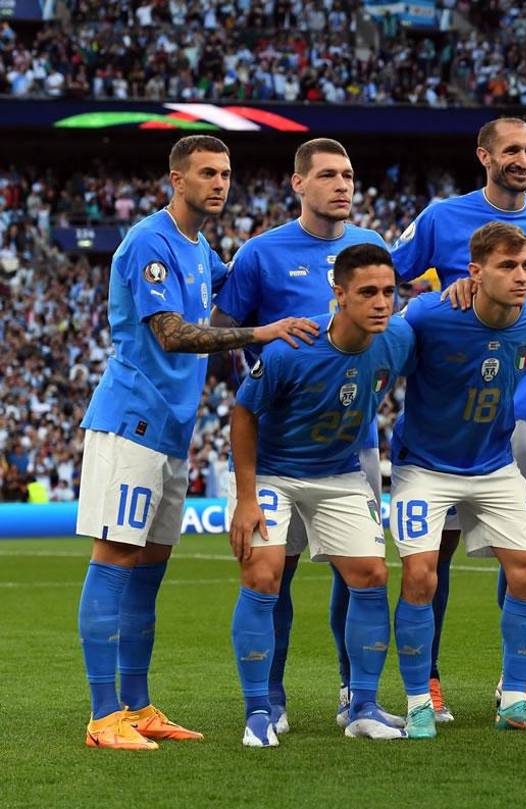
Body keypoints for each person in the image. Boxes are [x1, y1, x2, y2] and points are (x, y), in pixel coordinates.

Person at [75, 135, 317, 750]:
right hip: (131, 424)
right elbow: (172, 334)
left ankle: (137, 706)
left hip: (171, 432)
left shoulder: (202, 250)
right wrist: (262, 333)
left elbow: (245, 291)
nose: (220, 183)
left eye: (226, 173)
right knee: (116, 559)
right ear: (176, 180)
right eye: (207, 173)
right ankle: (103, 716)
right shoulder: (150, 242)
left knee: (149, 571)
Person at [391, 116, 526, 720]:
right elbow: (390, 275)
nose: (523, 159)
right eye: (511, 150)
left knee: (523, 554)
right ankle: (426, 683)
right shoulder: (442, 217)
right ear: (484, 156)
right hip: (450, 418)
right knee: (435, 558)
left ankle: (517, 685)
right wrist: (440, 290)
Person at [213, 137, 392, 733]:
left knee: (359, 569)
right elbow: (222, 330)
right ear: (298, 183)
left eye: (349, 175)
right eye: (329, 175)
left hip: (352, 443)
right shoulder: (261, 254)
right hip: (277, 443)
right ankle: (270, 700)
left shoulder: (371, 247)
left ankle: (353, 693)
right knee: (275, 573)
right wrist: (264, 368)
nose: (342, 186)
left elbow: (395, 330)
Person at [227, 244, 415, 747]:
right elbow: (243, 414)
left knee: (371, 575)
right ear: (339, 295)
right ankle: (261, 710)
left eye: (389, 292)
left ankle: (363, 707)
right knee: (264, 574)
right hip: (273, 474)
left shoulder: (398, 338)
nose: (382, 303)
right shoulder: (292, 346)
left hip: (339, 473)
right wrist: (246, 498)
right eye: (368, 292)